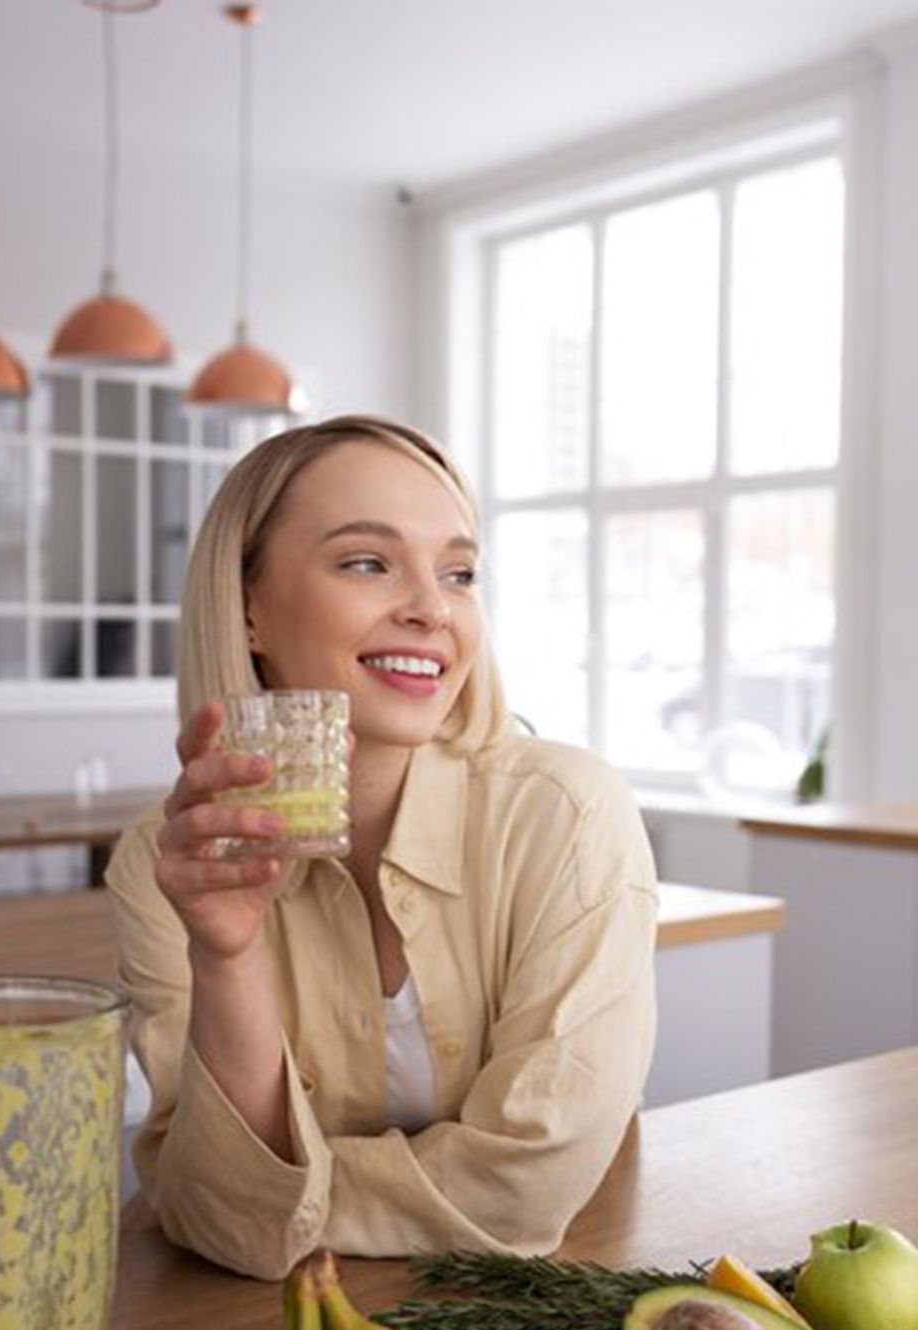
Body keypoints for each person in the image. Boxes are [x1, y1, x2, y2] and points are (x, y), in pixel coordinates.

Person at [106, 414, 657, 1280]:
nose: (432, 609)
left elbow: (530, 1185)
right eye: (367, 561)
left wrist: (284, 1198)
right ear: (248, 608)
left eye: (459, 572)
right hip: (264, 1326)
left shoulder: (567, 814)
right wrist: (229, 952)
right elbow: (215, 1212)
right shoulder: (164, 861)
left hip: (549, 1303)